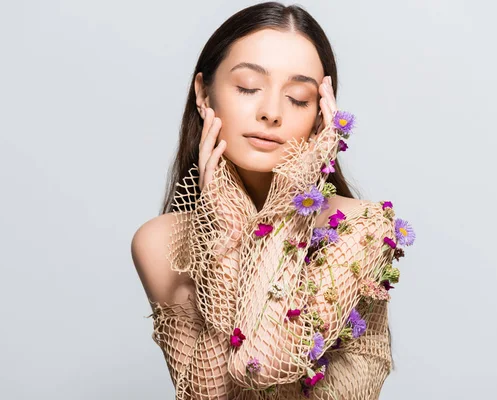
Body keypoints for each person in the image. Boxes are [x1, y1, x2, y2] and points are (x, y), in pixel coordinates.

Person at [131, 2, 415, 399]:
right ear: (203, 94)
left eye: (298, 97)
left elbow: (262, 362)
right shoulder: (161, 243)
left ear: (321, 117)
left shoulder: (362, 229)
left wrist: (291, 208)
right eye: (248, 87)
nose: (270, 112)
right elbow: (209, 395)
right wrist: (224, 228)